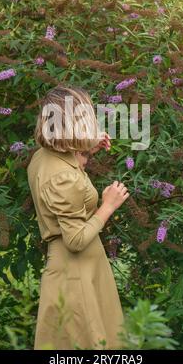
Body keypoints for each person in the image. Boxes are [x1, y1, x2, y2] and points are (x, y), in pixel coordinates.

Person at [27, 85, 130, 350]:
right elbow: (74, 239)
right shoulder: (62, 177)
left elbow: (67, 163)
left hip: (79, 270)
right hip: (77, 273)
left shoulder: (44, 156)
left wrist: (87, 147)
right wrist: (107, 206)